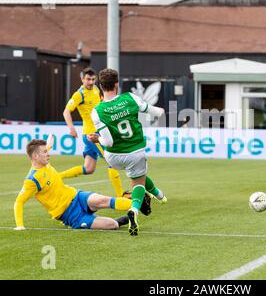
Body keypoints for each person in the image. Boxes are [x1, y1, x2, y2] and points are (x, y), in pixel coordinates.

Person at [88, 68, 167, 236]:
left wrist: (97, 140)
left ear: (101, 87)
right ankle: (134, 210)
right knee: (138, 181)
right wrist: (161, 112)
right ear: (117, 84)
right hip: (134, 151)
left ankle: (160, 195)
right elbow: (155, 111)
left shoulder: (97, 111)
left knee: (139, 174)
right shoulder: (129, 98)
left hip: (113, 157)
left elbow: (107, 141)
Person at [14, 139, 133, 231]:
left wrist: (48, 144)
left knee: (102, 200)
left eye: (47, 151)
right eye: (45, 152)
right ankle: (118, 221)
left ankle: (137, 205)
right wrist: (20, 225)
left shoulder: (44, 162)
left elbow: (45, 148)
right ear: (35, 156)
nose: (48, 154)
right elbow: (19, 202)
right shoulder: (32, 180)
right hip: (69, 214)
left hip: (76, 196)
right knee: (112, 225)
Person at [61, 67, 124, 198]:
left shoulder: (96, 89)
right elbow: (66, 111)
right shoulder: (79, 94)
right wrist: (71, 128)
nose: (90, 82)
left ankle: (57, 176)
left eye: (93, 79)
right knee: (112, 161)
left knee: (89, 169)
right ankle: (120, 195)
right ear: (82, 79)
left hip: (95, 133)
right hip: (92, 135)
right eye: (88, 79)